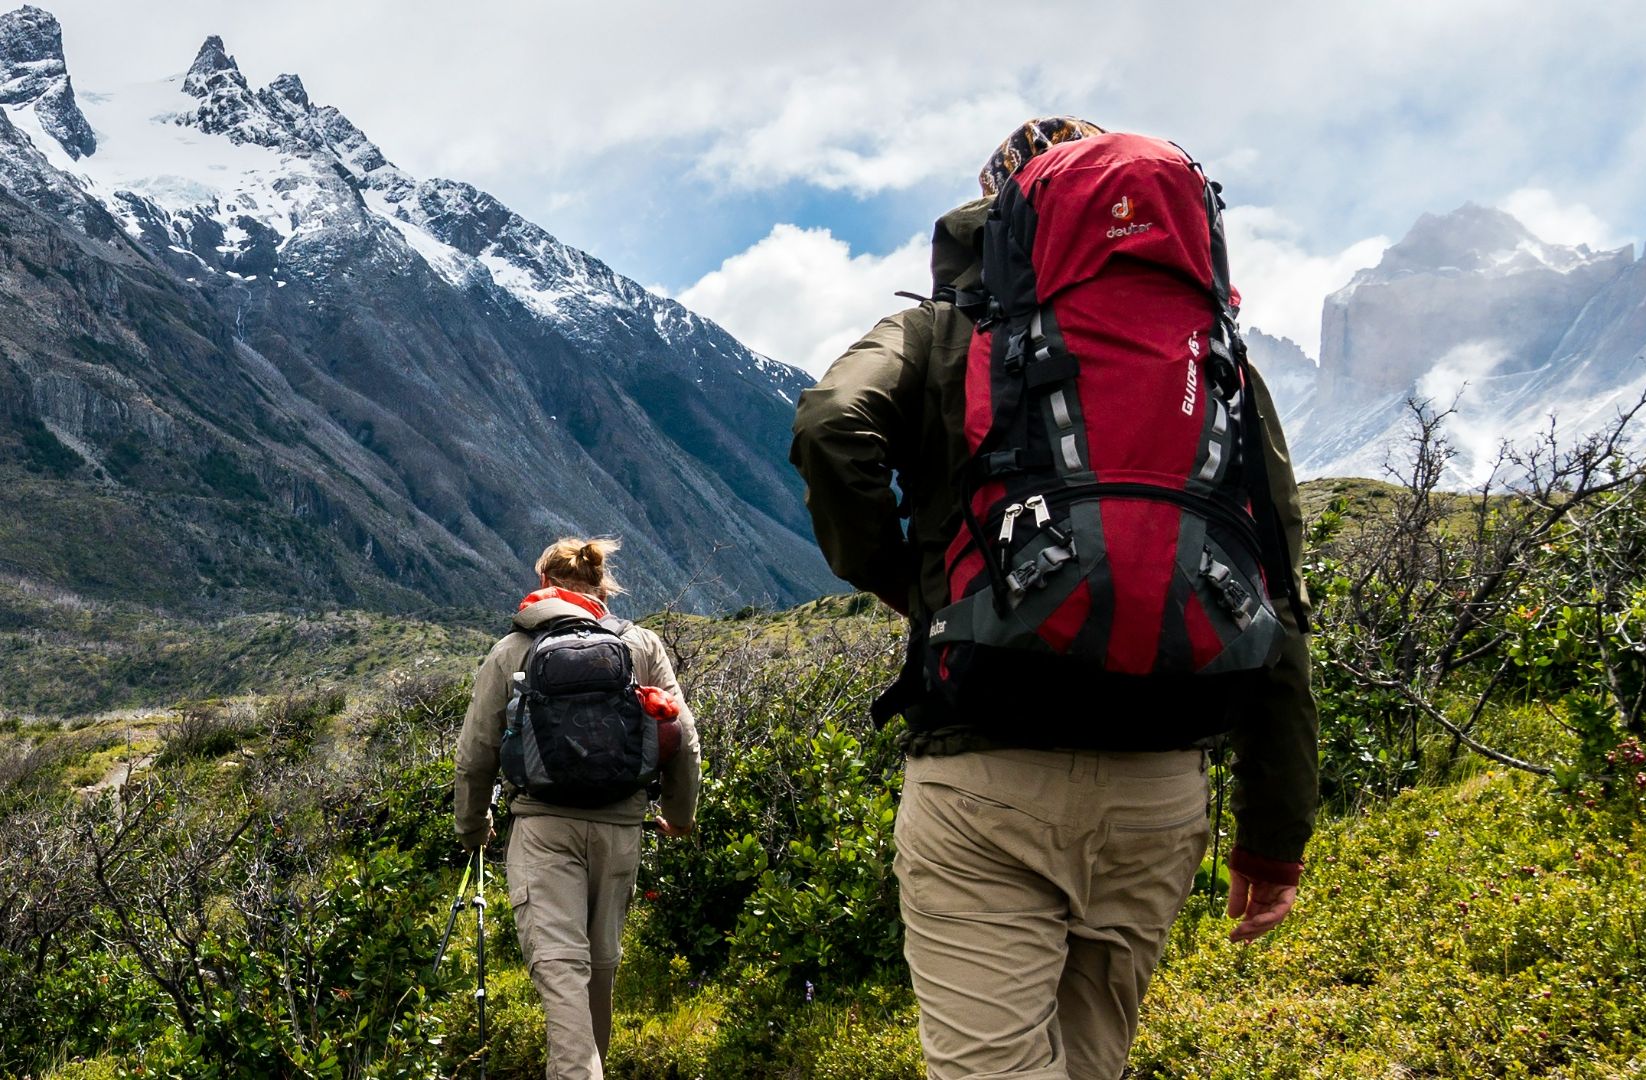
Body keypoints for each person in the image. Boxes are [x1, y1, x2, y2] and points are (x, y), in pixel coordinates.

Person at [789, 118, 1319, 1080]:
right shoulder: (1218, 361)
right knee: (1090, 1063)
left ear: (1004, 215)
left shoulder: (944, 332)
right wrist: (1275, 836)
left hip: (986, 778)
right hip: (1162, 793)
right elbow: (1275, 587)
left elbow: (833, 426)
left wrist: (914, 585)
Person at [454, 537, 700, 1080]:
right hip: (621, 828)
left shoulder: (511, 651)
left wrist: (473, 828)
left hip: (543, 830)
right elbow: (683, 738)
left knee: (562, 971)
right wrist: (680, 816)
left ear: (545, 585)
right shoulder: (641, 646)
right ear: (601, 587)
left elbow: (476, 754)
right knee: (600, 969)